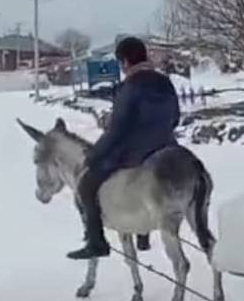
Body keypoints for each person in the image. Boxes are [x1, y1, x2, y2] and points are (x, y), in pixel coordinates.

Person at [67, 37, 180, 260]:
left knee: (87, 185)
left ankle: (96, 242)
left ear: (126, 61)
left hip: (135, 152)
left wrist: (94, 155)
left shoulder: (129, 88)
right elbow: (175, 118)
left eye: (121, 62)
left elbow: (116, 131)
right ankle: (143, 235)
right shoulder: (165, 81)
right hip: (167, 147)